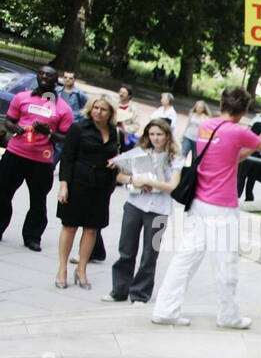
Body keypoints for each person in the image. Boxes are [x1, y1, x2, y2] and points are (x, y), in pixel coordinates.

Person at [150, 86, 261, 328]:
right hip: (222, 206)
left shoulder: (206, 127)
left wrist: (253, 144)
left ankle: (165, 310)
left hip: (199, 203)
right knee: (226, 263)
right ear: (242, 112)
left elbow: (232, 156)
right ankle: (229, 314)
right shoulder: (238, 132)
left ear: (222, 104)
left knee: (185, 259)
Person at [102, 118, 183, 303]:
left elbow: (172, 186)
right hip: (135, 204)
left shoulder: (175, 159)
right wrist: (133, 181)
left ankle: (140, 293)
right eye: (152, 134)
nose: (155, 138)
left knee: (150, 253)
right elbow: (121, 174)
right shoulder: (140, 153)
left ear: (167, 136)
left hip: (159, 209)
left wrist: (149, 182)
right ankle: (119, 290)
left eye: (159, 134)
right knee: (126, 249)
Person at [1, 65, 75, 251]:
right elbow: (9, 120)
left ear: (55, 81)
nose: (44, 77)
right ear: (37, 77)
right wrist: (15, 128)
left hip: (41, 161)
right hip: (15, 154)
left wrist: (48, 133)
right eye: (41, 74)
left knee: (38, 200)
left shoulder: (63, 109)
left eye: (49, 75)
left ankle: (32, 236)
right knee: (3, 194)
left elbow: (66, 138)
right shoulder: (22, 98)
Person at [55, 97, 122, 290]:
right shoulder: (78, 129)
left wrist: (116, 162)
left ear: (111, 113)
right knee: (69, 226)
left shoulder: (115, 132)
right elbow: (67, 157)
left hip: (101, 186)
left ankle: (82, 269)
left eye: (103, 109)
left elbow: (118, 156)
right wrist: (63, 184)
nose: (98, 112)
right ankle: (62, 269)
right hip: (78, 182)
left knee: (92, 228)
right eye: (96, 108)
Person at [236, 115, 261, 202]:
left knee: (252, 179)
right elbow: (251, 137)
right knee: (242, 175)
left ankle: (249, 197)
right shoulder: (258, 125)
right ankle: (237, 194)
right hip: (251, 154)